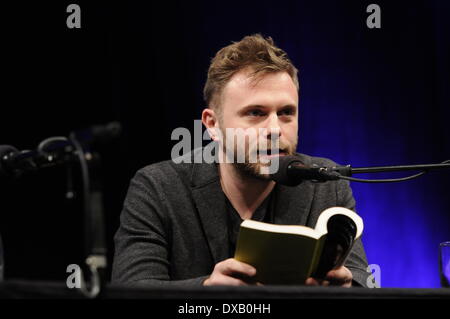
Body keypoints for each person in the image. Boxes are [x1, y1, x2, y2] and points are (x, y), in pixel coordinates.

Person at [112, 34, 370, 287]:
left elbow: (360, 280)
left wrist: (346, 290)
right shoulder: (157, 187)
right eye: (256, 113)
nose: (275, 129)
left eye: (286, 112)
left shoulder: (326, 183)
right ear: (212, 125)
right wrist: (206, 292)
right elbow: (132, 289)